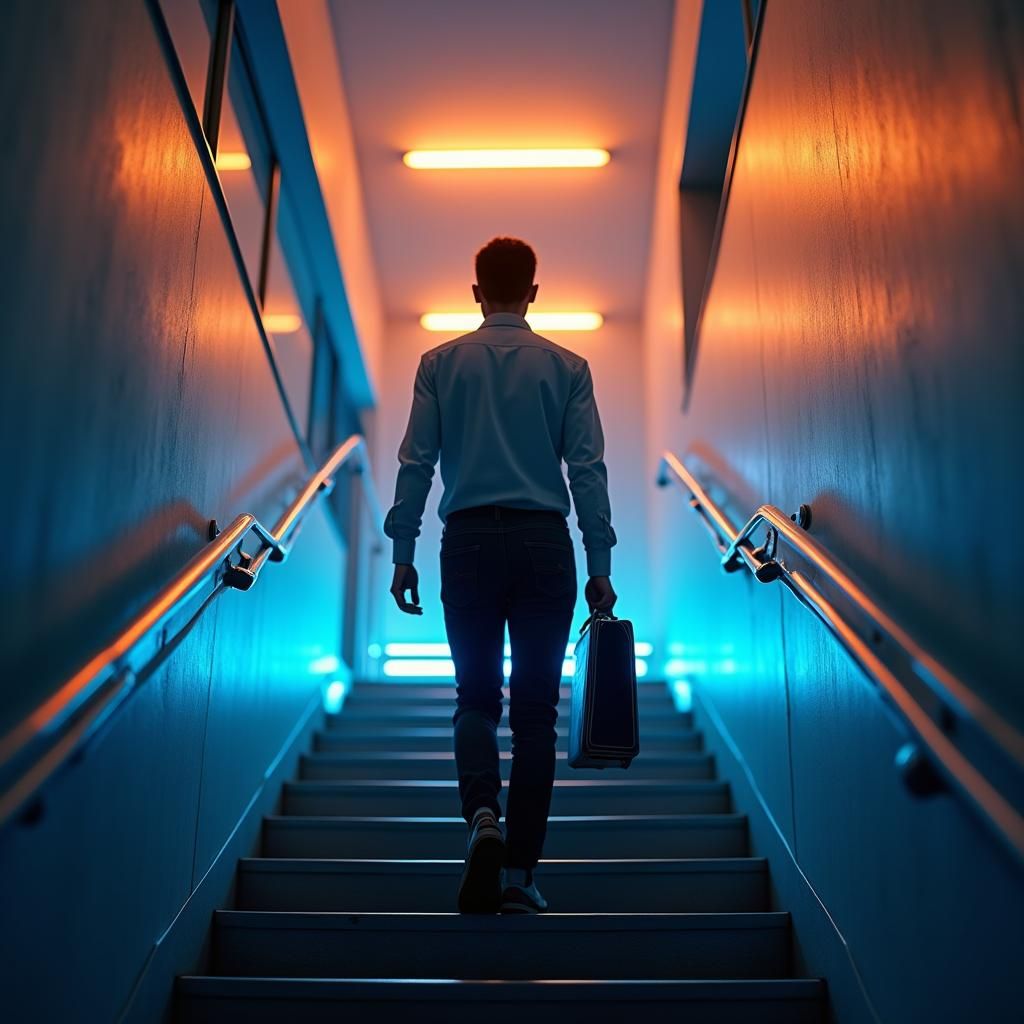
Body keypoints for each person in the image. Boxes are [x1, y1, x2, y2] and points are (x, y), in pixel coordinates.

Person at [384, 236, 617, 914]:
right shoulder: (568, 367)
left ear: (476, 291)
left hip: (468, 545)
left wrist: (404, 548)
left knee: (476, 696)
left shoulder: (439, 364)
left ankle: (483, 817)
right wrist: (599, 563)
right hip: (546, 544)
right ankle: (520, 876)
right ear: (535, 292)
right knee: (537, 714)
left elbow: (415, 463)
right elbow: (587, 471)